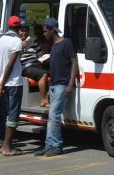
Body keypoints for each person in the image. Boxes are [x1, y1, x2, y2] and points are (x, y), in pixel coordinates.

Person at [34, 17, 78, 157]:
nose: (44, 34)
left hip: (63, 85)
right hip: (54, 85)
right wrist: (48, 90)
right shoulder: (54, 46)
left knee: (54, 116)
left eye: (46, 31)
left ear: (52, 30)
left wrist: (71, 84)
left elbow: (74, 62)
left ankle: (57, 146)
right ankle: (49, 146)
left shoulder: (66, 43)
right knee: (51, 117)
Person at [0, 15, 23, 156]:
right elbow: (10, 65)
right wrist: (3, 82)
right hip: (14, 83)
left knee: (6, 114)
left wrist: (0, 82)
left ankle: (5, 145)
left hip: (3, 83)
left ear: (8, 25)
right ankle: (6, 147)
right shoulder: (17, 41)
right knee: (13, 115)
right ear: (18, 27)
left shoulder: (0, 41)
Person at [19, 21, 50, 107]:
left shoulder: (33, 41)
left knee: (53, 71)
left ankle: (49, 96)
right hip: (24, 67)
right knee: (43, 74)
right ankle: (43, 100)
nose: (24, 33)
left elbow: (40, 55)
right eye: (22, 30)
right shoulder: (15, 42)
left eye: (26, 30)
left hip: (35, 64)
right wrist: (20, 46)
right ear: (18, 31)